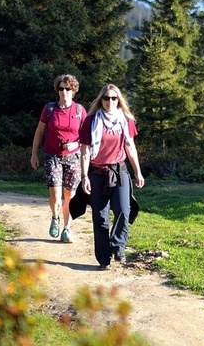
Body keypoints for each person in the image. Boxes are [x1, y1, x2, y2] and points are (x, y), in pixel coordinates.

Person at [81, 83, 144, 269]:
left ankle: (118, 247)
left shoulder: (126, 120)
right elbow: (85, 151)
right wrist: (84, 176)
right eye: (106, 98)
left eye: (114, 98)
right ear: (101, 100)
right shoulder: (90, 121)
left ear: (119, 100)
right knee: (100, 218)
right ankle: (104, 259)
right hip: (97, 173)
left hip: (119, 170)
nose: (110, 102)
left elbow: (130, 147)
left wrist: (138, 172)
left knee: (124, 210)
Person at [30, 74, 88, 243]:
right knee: (55, 194)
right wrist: (34, 154)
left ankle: (67, 228)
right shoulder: (49, 109)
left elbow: (86, 137)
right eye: (61, 88)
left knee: (70, 195)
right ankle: (55, 217)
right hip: (52, 156)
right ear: (57, 90)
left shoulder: (79, 111)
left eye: (68, 89)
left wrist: (75, 144)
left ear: (73, 91)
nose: (64, 92)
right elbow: (39, 132)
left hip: (73, 157)